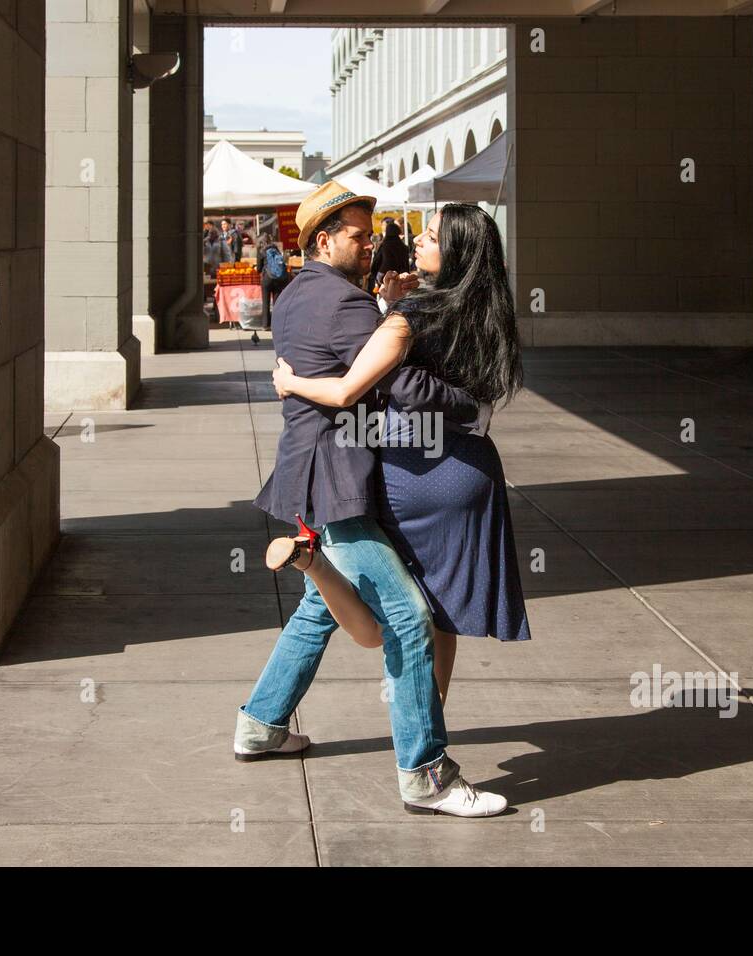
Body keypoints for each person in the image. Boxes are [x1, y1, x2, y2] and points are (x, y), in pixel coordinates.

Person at [236, 180, 508, 818]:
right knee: (410, 620)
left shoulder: (299, 293)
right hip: (340, 482)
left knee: (320, 609)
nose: (372, 243)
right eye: (359, 235)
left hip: (305, 473)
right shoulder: (352, 308)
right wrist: (467, 400)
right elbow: (402, 385)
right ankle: (426, 774)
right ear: (324, 240)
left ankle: (261, 722)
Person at [272, 203, 530, 711]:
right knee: (440, 615)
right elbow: (461, 387)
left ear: (452, 251)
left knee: (397, 618)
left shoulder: (415, 313)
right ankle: (427, 721)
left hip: (411, 474)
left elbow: (358, 388)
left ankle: (423, 750)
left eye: (430, 237)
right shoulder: (484, 307)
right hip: (469, 471)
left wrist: (292, 382)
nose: (414, 241)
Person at [255, 230, 290, 329]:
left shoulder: (261, 250)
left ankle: (266, 325)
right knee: (277, 302)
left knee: (266, 302)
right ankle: (277, 324)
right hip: (279, 277)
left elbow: (258, 268)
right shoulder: (276, 249)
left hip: (267, 278)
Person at [369, 219, 411, 290]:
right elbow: (406, 263)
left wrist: (373, 272)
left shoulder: (384, 245)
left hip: (384, 273)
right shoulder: (403, 247)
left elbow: (377, 260)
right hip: (400, 274)